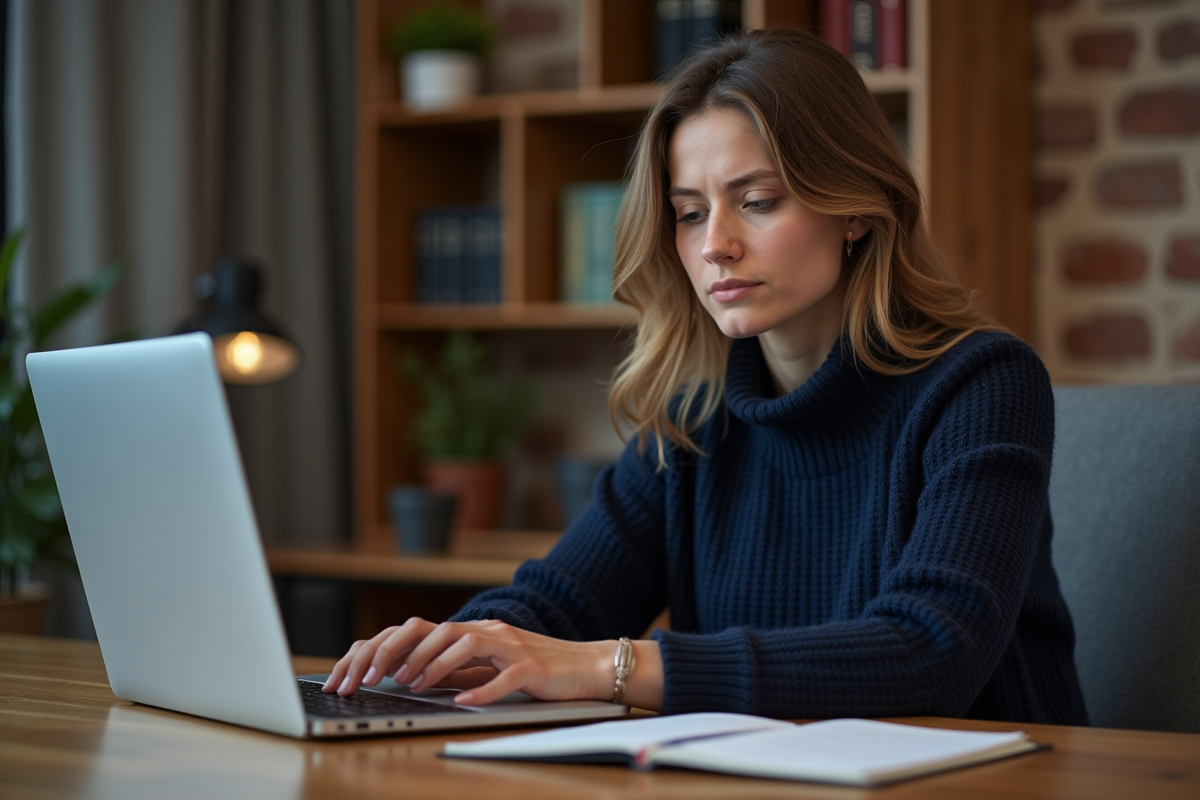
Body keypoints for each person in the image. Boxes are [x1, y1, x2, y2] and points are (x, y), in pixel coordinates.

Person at [324, 26, 1089, 725]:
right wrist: (444, 651)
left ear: (857, 209)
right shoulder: (697, 414)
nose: (715, 244)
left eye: (756, 201)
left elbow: (932, 653)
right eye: (690, 213)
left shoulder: (982, 384)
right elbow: (557, 603)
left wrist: (608, 667)